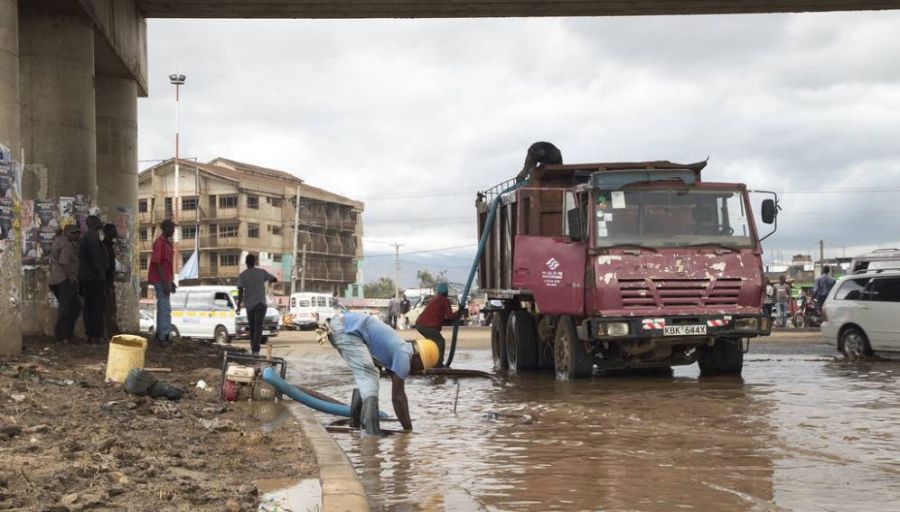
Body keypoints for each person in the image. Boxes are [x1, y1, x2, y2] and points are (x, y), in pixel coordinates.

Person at [325, 311, 439, 435]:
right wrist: (408, 430)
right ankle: (370, 430)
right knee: (370, 376)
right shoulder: (405, 356)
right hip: (346, 329)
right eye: (420, 367)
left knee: (367, 374)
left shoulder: (400, 347)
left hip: (342, 324)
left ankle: (356, 421)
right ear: (417, 356)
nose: (417, 372)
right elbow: (398, 397)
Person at [414, 282, 466, 368]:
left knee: (433, 343)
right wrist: (460, 311)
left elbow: (443, 317)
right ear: (446, 293)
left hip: (421, 325)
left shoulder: (436, 299)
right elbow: (450, 316)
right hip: (426, 326)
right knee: (440, 342)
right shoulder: (444, 300)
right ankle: (438, 364)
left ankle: (430, 362)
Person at [236, 253, 277, 356]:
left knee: (252, 328)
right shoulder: (261, 272)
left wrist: (238, 307)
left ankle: (254, 350)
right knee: (258, 328)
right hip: (261, 304)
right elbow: (274, 279)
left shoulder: (243, 275)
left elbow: (240, 291)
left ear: (246, 263)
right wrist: (268, 281)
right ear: (255, 262)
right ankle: (256, 351)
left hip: (250, 305)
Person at [78, 215, 109, 343]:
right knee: (96, 306)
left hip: (88, 278)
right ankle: (95, 334)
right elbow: (95, 258)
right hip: (93, 278)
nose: (100, 222)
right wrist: (101, 275)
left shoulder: (90, 236)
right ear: (92, 223)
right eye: (98, 221)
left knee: (89, 306)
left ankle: (91, 334)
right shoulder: (91, 237)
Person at [49, 225, 81, 343]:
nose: (78, 235)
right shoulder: (66, 245)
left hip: (55, 279)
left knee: (74, 307)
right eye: (75, 233)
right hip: (64, 280)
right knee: (67, 308)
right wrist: (71, 277)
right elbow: (64, 262)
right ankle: (62, 336)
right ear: (68, 234)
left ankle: (67, 334)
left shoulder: (58, 240)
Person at [149, 219, 176, 345]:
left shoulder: (167, 243)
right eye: (172, 228)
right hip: (160, 280)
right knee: (164, 307)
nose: (173, 231)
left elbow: (168, 266)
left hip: (165, 279)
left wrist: (171, 282)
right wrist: (165, 282)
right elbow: (157, 263)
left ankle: (161, 333)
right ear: (165, 229)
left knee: (163, 307)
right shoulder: (159, 243)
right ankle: (163, 336)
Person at [101, 223, 120, 336]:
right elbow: (105, 266)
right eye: (113, 230)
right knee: (108, 308)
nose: (116, 232)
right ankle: (108, 332)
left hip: (108, 282)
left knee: (111, 308)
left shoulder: (109, 246)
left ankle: (110, 331)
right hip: (105, 282)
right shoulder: (105, 246)